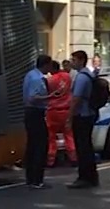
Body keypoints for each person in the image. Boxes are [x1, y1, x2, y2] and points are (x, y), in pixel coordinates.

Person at [22, 55, 57, 190]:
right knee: (40, 146)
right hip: (36, 112)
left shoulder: (30, 75)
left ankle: (30, 178)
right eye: (49, 65)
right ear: (46, 65)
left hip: (29, 113)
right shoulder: (37, 78)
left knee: (32, 145)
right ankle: (37, 179)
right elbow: (33, 98)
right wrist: (50, 97)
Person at [66, 50, 100, 189]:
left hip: (82, 115)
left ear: (80, 60)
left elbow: (76, 99)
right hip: (89, 114)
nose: (72, 62)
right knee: (86, 146)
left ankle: (84, 177)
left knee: (82, 148)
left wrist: (69, 118)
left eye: (73, 60)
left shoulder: (81, 77)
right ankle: (91, 176)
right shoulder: (88, 75)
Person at [45, 61, 77, 167]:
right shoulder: (67, 77)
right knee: (68, 135)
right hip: (66, 110)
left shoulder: (50, 80)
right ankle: (73, 158)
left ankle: (51, 160)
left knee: (51, 136)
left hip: (53, 111)